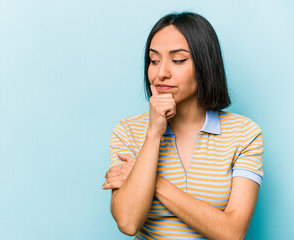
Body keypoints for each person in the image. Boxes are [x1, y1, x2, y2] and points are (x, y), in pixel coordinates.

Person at [102, 12, 263, 240]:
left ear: (205, 64)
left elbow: (232, 233)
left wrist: (153, 182)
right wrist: (154, 133)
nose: (161, 73)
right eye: (154, 60)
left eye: (177, 60)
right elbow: (128, 222)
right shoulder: (128, 131)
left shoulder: (245, 134)